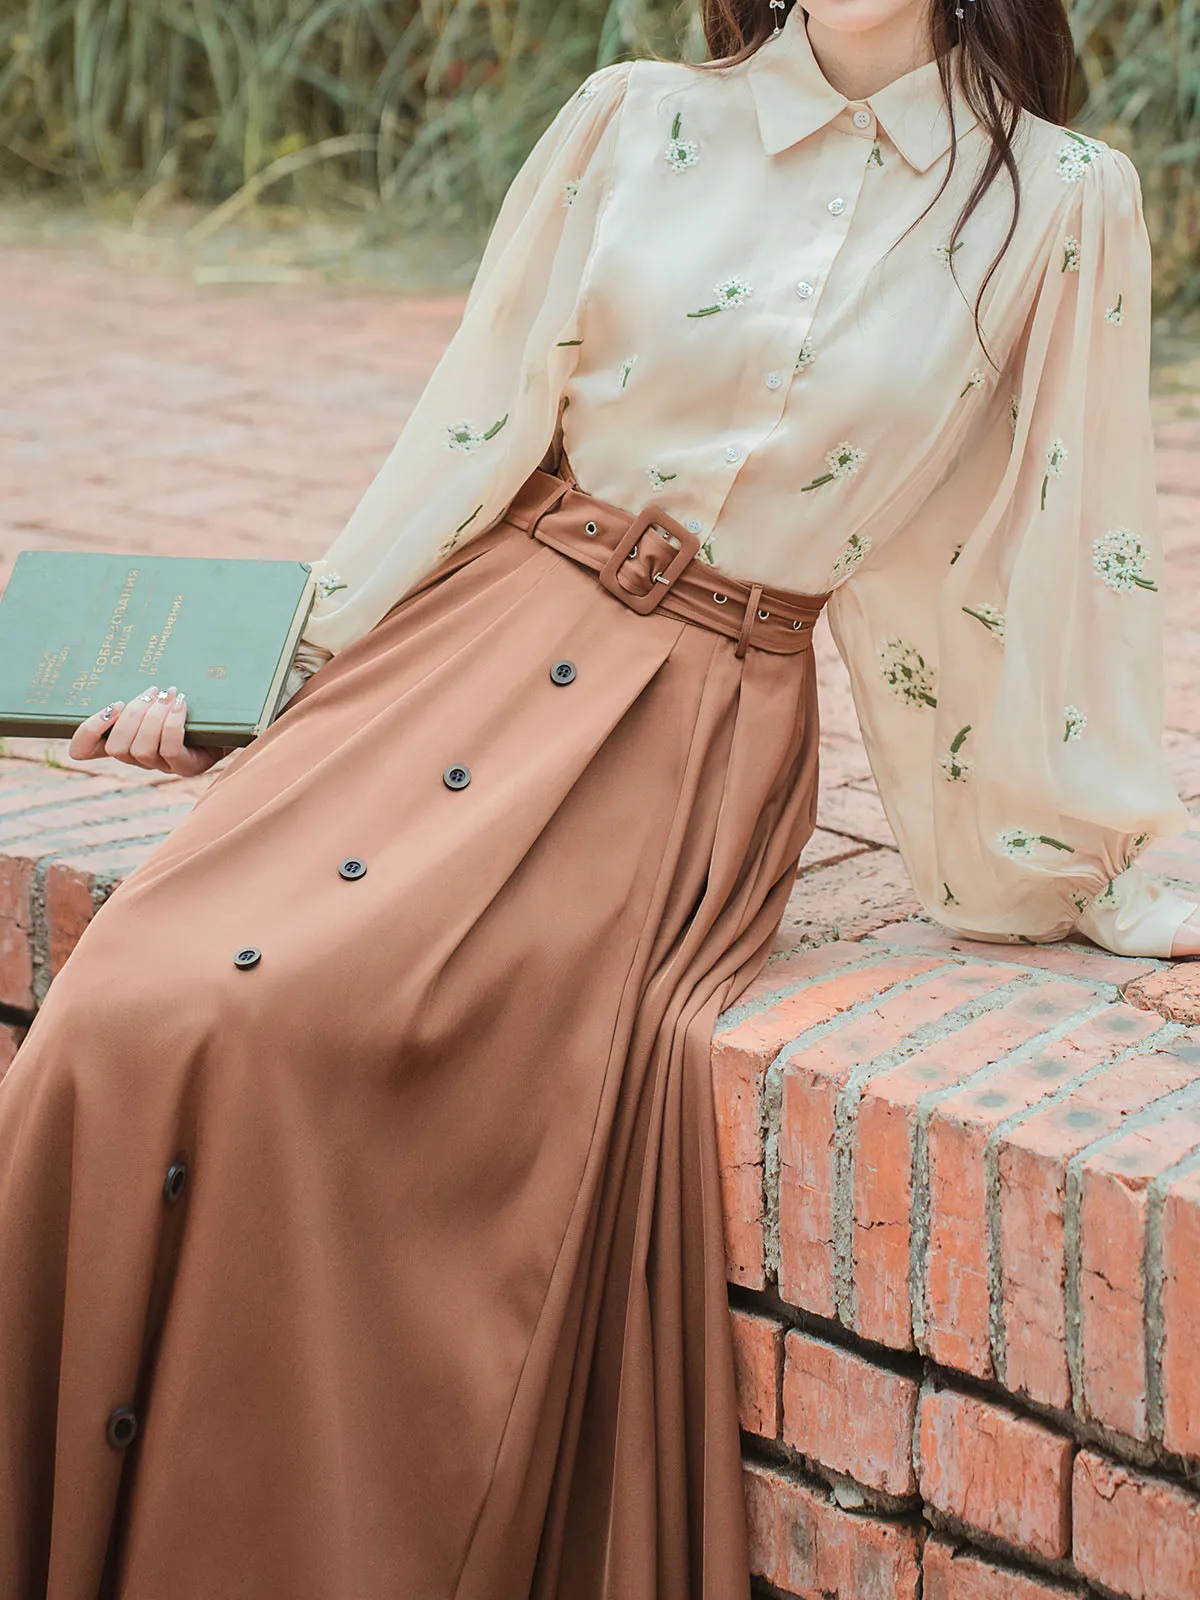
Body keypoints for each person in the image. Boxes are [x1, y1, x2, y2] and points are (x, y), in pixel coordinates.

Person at [2, 1, 1196, 1596]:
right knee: (139, 999)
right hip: (469, 645)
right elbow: (468, 433)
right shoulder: (632, 117)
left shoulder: (1055, 202)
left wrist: (1103, 852)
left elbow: (1043, 561)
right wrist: (264, 685)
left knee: (322, 1036)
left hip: (687, 736)